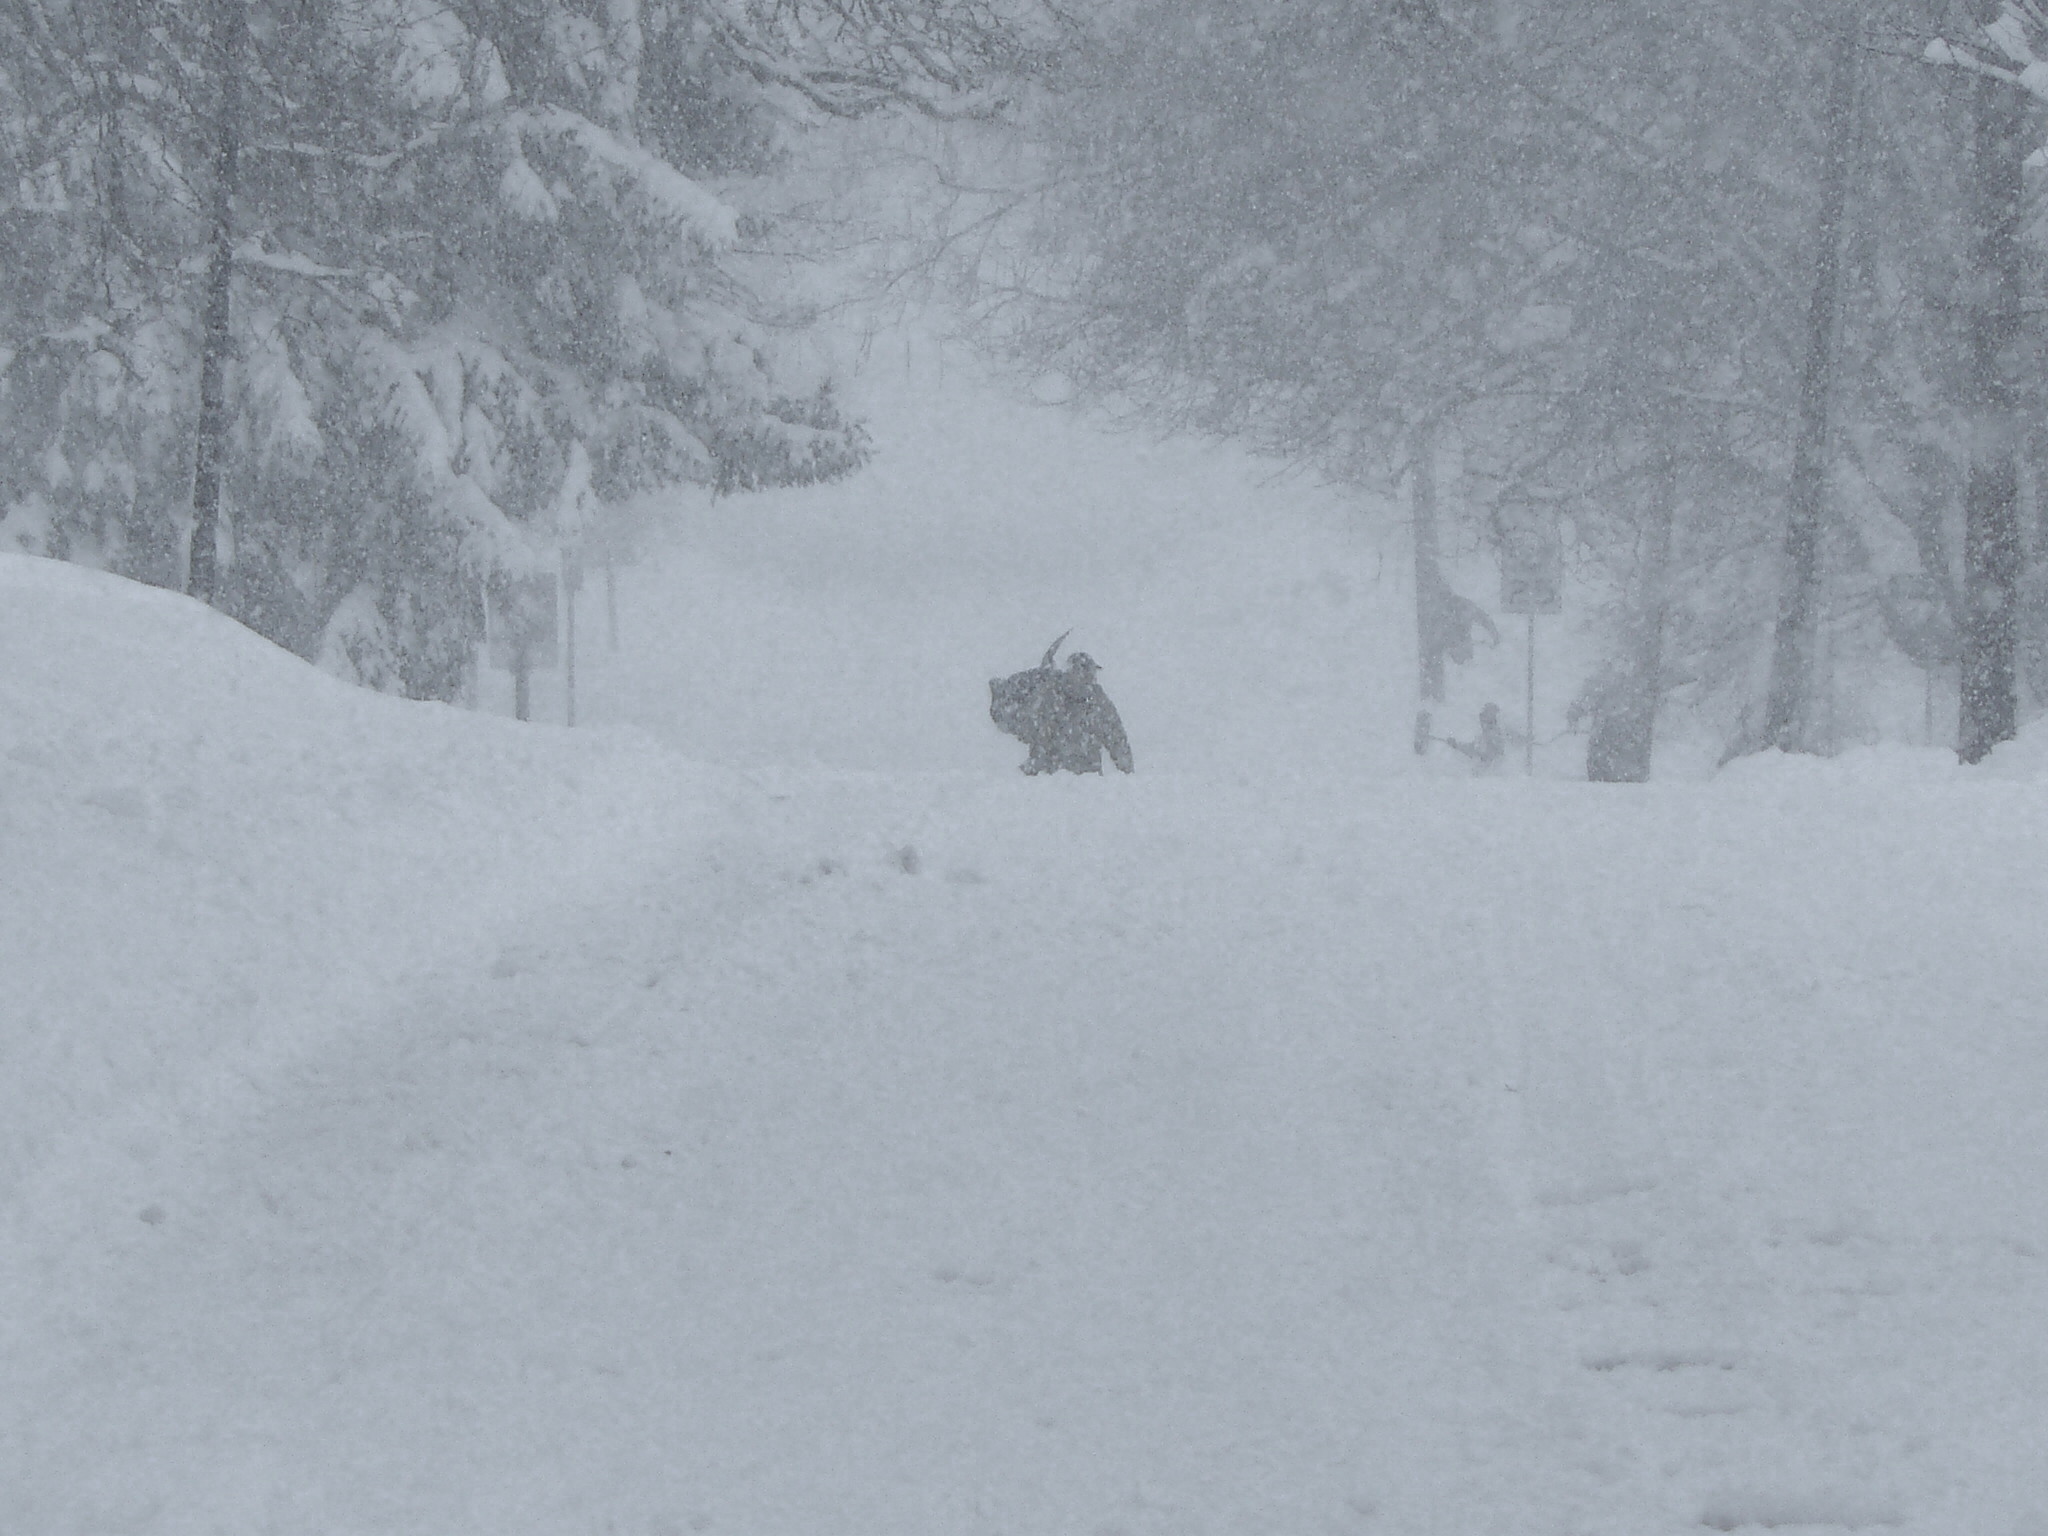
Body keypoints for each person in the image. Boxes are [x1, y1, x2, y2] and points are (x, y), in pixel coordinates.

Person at [989, 637, 1133, 775]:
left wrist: (1127, 771)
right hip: (1063, 777)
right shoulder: (1051, 694)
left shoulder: (1093, 699)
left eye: (1090, 676)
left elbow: (1116, 736)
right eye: (1084, 674)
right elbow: (1115, 736)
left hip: (1072, 777)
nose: (1087, 679)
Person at [1447, 702, 1506, 774]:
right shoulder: (1483, 736)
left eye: (1487, 721)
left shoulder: (1496, 736)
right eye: (1482, 719)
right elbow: (1473, 749)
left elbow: (1484, 754)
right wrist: (1456, 745)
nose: (1483, 723)